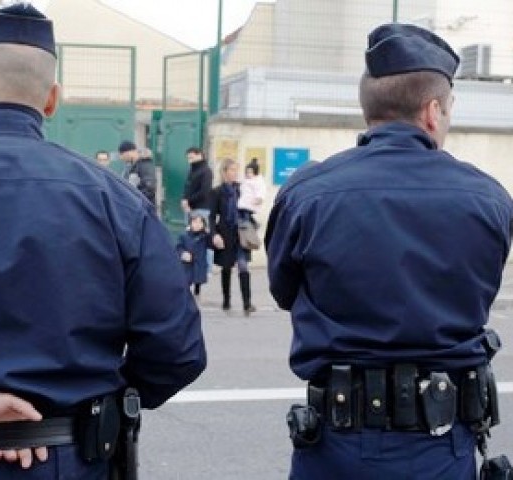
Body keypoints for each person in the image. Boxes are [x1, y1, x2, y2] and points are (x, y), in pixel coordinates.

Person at [0, 4, 206, 479]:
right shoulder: (117, 203)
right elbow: (178, 350)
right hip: (74, 456)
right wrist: (97, 406)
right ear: (53, 99)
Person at [265, 23, 512, 480]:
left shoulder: (309, 192)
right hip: (441, 443)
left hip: (335, 447)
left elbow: (283, 290)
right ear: (433, 110)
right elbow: (482, 286)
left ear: (369, 109)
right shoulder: (487, 196)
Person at [209, 158, 256, 315]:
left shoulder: (243, 190)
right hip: (225, 233)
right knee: (227, 267)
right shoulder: (217, 192)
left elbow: (251, 207)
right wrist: (215, 234)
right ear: (224, 172)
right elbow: (211, 217)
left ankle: (247, 303)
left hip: (241, 232)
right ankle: (226, 300)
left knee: (243, 266)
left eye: (236, 170)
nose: (235, 173)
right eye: (232, 170)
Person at [181, 146, 213, 273]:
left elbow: (204, 192)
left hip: (201, 209)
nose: (189, 160)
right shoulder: (192, 170)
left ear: (200, 155)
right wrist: (184, 199)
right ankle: (193, 266)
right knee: (190, 238)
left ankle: (207, 268)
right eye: (188, 158)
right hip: (190, 209)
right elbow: (187, 187)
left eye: (191, 157)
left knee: (204, 239)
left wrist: (188, 200)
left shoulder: (206, 171)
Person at [176, 213, 210, 298]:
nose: (197, 225)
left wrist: (209, 233)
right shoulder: (184, 235)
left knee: (197, 279)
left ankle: (197, 292)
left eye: (200, 223)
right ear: (190, 223)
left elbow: (211, 244)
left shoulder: (205, 236)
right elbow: (178, 247)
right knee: (187, 280)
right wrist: (183, 253)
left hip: (199, 262)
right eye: (195, 222)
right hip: (187, 264)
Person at [118, 140, 157, 205]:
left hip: (144, 208)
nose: (121, 158)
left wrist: (133, 198)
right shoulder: (131, 166)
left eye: (122, 154)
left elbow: (150, 188)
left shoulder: (145, 164)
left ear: (129, 152)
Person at [237, 157, 266, 225]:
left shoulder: (258, 181)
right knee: (241, 212)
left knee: (246, 213)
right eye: (247, 172)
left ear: (255, 173)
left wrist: (259, 199)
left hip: (251, 202)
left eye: (250, 172)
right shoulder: (246, 180)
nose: (248, 174)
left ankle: (247, 223)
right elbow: (242, 188)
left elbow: (260, 190)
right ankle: (254, 223)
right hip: (244, 201)